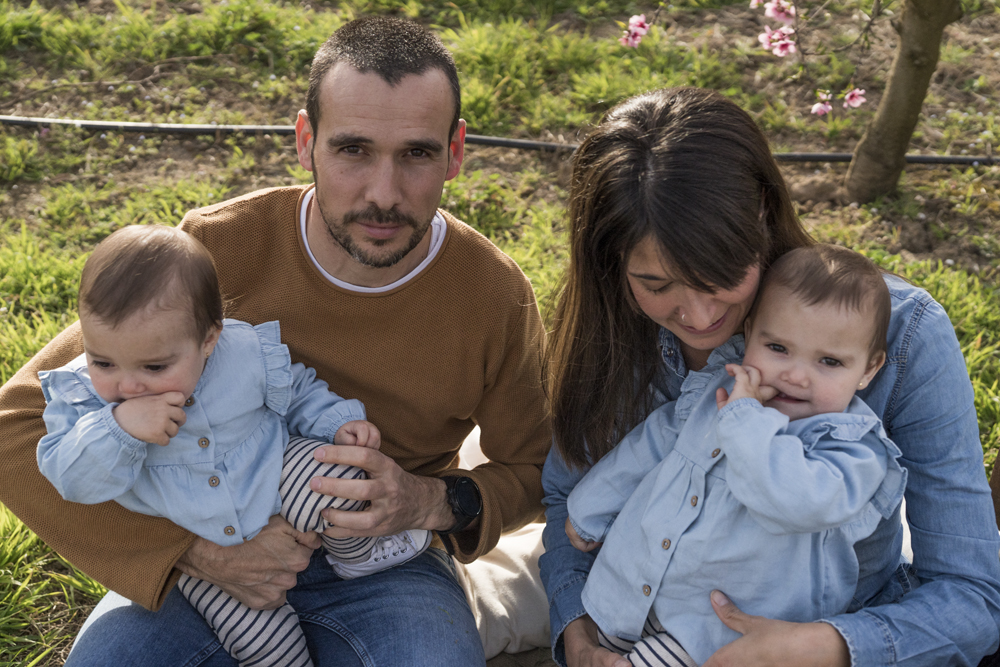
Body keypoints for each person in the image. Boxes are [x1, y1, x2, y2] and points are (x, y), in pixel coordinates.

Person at [0, 16, 550, 666]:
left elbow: (535, 468)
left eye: (416, 154)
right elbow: (17, 424)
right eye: (352, 150)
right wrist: (201, 552)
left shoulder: (494, 293)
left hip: (386, 565)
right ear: (304, 140)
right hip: (205, 545)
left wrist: (430, 499)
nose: (383, 193)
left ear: (455, 151)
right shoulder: (217, 249)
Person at [540, 87, 1000, 667]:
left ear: (761, 210)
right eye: (657, 285)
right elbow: (566, 496)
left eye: (719, 274)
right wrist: (576, 625)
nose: (700, 317)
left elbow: (974, 595)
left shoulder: (906, 335)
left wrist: (825, 647)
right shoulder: (614, 326)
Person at [37, 224, 434, 667]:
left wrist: (337, 421)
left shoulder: (242, 352)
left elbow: (296, 388)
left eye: (154, 365)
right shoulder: (81, 398)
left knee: (336, 473)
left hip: (275, 482)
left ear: (208, 339)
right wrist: (118, 430)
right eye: (103, 361)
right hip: (204, 552)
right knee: (263, 644)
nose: (128, 385)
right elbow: (70, 478)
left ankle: (360, 555)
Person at [564, 244, 906, 667]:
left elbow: (791, 499)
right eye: (778, 347)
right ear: (750, 333)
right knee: (602, 645)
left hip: (724, 627)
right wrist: (590, 506)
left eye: (830, 361)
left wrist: (746, 417)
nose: (796, 375)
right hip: (639, 584)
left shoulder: (851, 450)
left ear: (869, 369)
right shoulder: (718, 389)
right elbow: (650, 444)